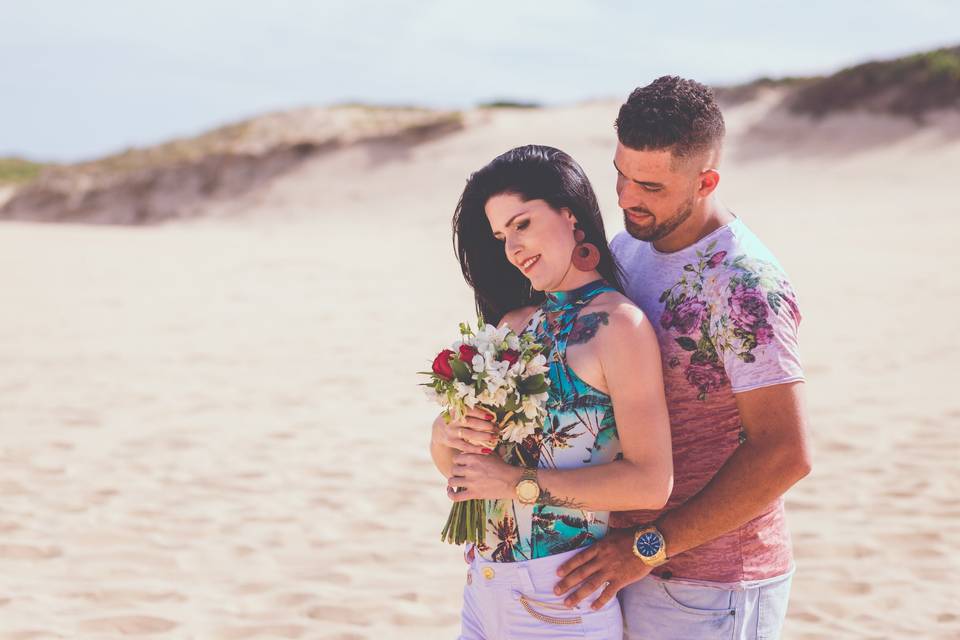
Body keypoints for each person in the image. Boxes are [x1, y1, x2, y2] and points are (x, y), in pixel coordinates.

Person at [553, 76, 813, 639]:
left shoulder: (743, 284)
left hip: (712, 587)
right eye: (619, 174)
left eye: (648, 185)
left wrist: (647, 547)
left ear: (706, 181)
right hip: (626, 566)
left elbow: (785, 453)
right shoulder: (628, 245)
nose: (625, 198)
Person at [429, 144, 673, 639]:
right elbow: (465, 472)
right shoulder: (512, 324)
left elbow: (651, 482)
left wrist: (515, 482)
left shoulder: (617, 326)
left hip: (558, 594)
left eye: (522, 224)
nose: (512, 248)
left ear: (570, 215)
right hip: (483, 586)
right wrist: (447, 431)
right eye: (501, 235)